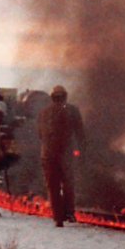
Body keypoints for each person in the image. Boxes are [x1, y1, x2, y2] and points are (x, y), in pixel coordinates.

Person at [37, 85, 85, 227]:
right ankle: (69, 213)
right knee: (68, 183)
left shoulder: (43, 112)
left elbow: (40, 134)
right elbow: (80, 133)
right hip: (66, 154)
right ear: (65, 96)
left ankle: (58, 218)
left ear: (52, 97)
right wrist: (81, 151)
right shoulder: (72, 110)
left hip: (47, 154)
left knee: (53, 187)